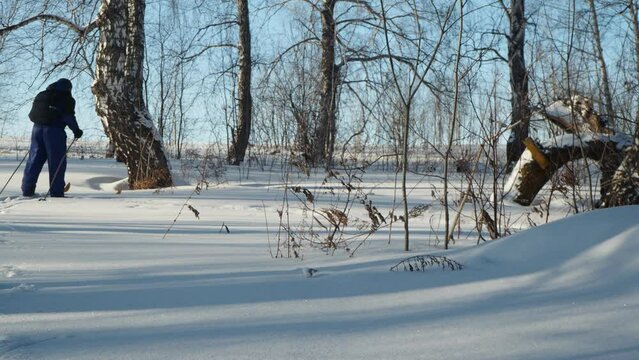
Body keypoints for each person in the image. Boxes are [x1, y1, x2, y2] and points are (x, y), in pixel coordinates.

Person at [21, 78, 83, 197]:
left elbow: (31, 114)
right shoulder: (66, 98)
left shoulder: (42, 95)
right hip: (54, 131)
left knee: (34, 160)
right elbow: (68, 116)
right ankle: (56, 192)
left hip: (36, 130)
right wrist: (76, 130)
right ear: (68, 88)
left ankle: (27, 190)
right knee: (56, 162)